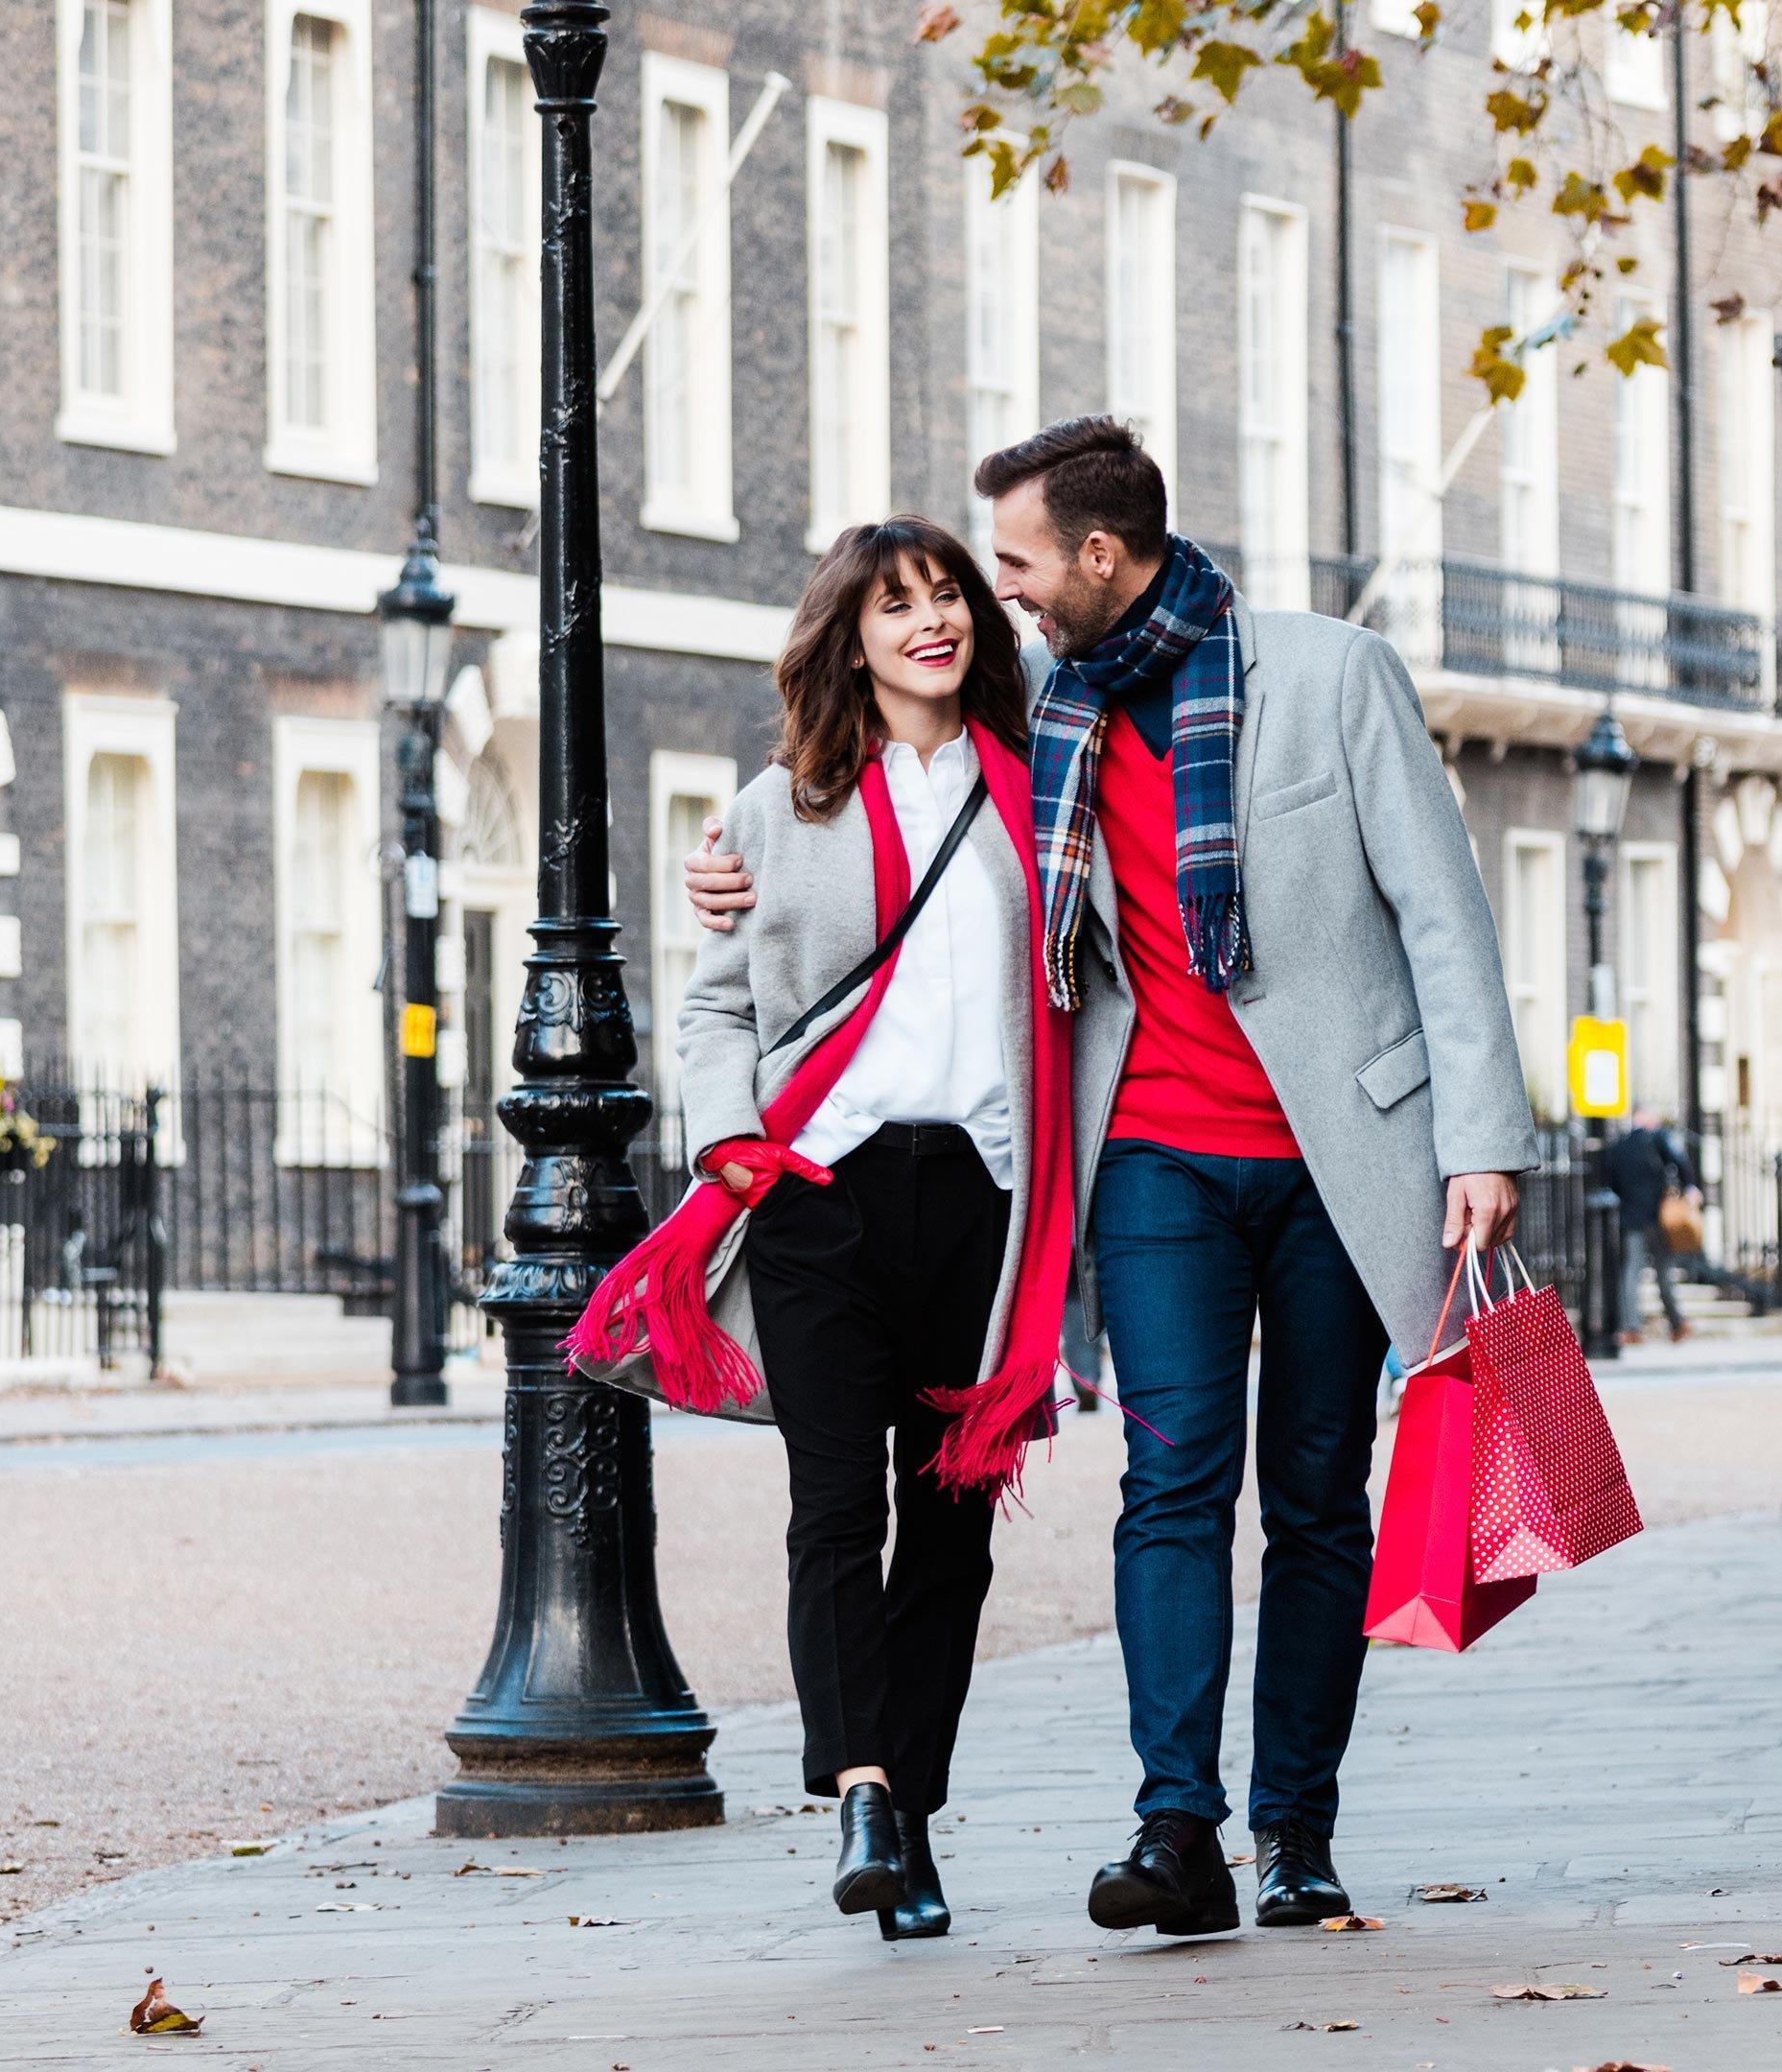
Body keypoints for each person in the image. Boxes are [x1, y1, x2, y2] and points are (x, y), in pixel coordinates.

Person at [692, 417, 1538, 1939]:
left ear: (1096, 554)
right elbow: (877, 817)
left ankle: (1298, 1831)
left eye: (1011, 562)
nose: (994, 595)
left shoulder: (1333, 675)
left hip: (1343, 1161)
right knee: (1171, 1491)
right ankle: (1178, 1830)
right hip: (1150, 1163)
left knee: (1319, 1499)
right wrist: (733, 868)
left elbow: (1444, 911)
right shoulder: (1052, 725)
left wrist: (1483, 1135)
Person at [578, 517, 1075, 1944]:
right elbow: (717, 1004)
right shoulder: (777, 805)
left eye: (947, 599)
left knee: (958, 1523)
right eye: (896, 605)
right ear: (847, 637)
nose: (931, 624)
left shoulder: (1036, 790)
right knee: (837, 1511)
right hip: (817, 1197)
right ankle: (860, 1788)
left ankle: (908, 1809)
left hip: (983, 1200)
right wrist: (728, 1139)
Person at [1601, 1109, 1701, 1346]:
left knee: (1631, 1272)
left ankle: (1631, 1328)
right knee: (1664, 1273)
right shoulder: (1657, 1139)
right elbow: (1680, 1162)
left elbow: (1612, 1182)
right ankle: (1677, 1325)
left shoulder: (1619, 1147)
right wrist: (1689, 1187)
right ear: (1645, 1118)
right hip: (1658, 1217)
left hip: (1631, 1218)